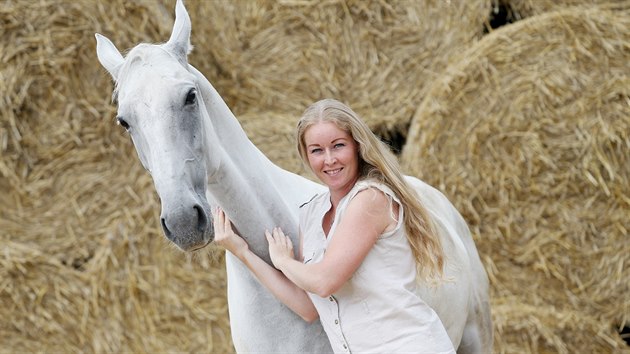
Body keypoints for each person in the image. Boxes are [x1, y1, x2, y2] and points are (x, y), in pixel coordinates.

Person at [213, 98, 455, 353]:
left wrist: (284, 262)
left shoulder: (370, 198)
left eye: (338, 146)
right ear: (305, 155)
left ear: (357, 147)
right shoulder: (311, 213)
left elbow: (324, 282)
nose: (329, 160)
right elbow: (308, 307)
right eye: (316, 150)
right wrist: (242, 252)